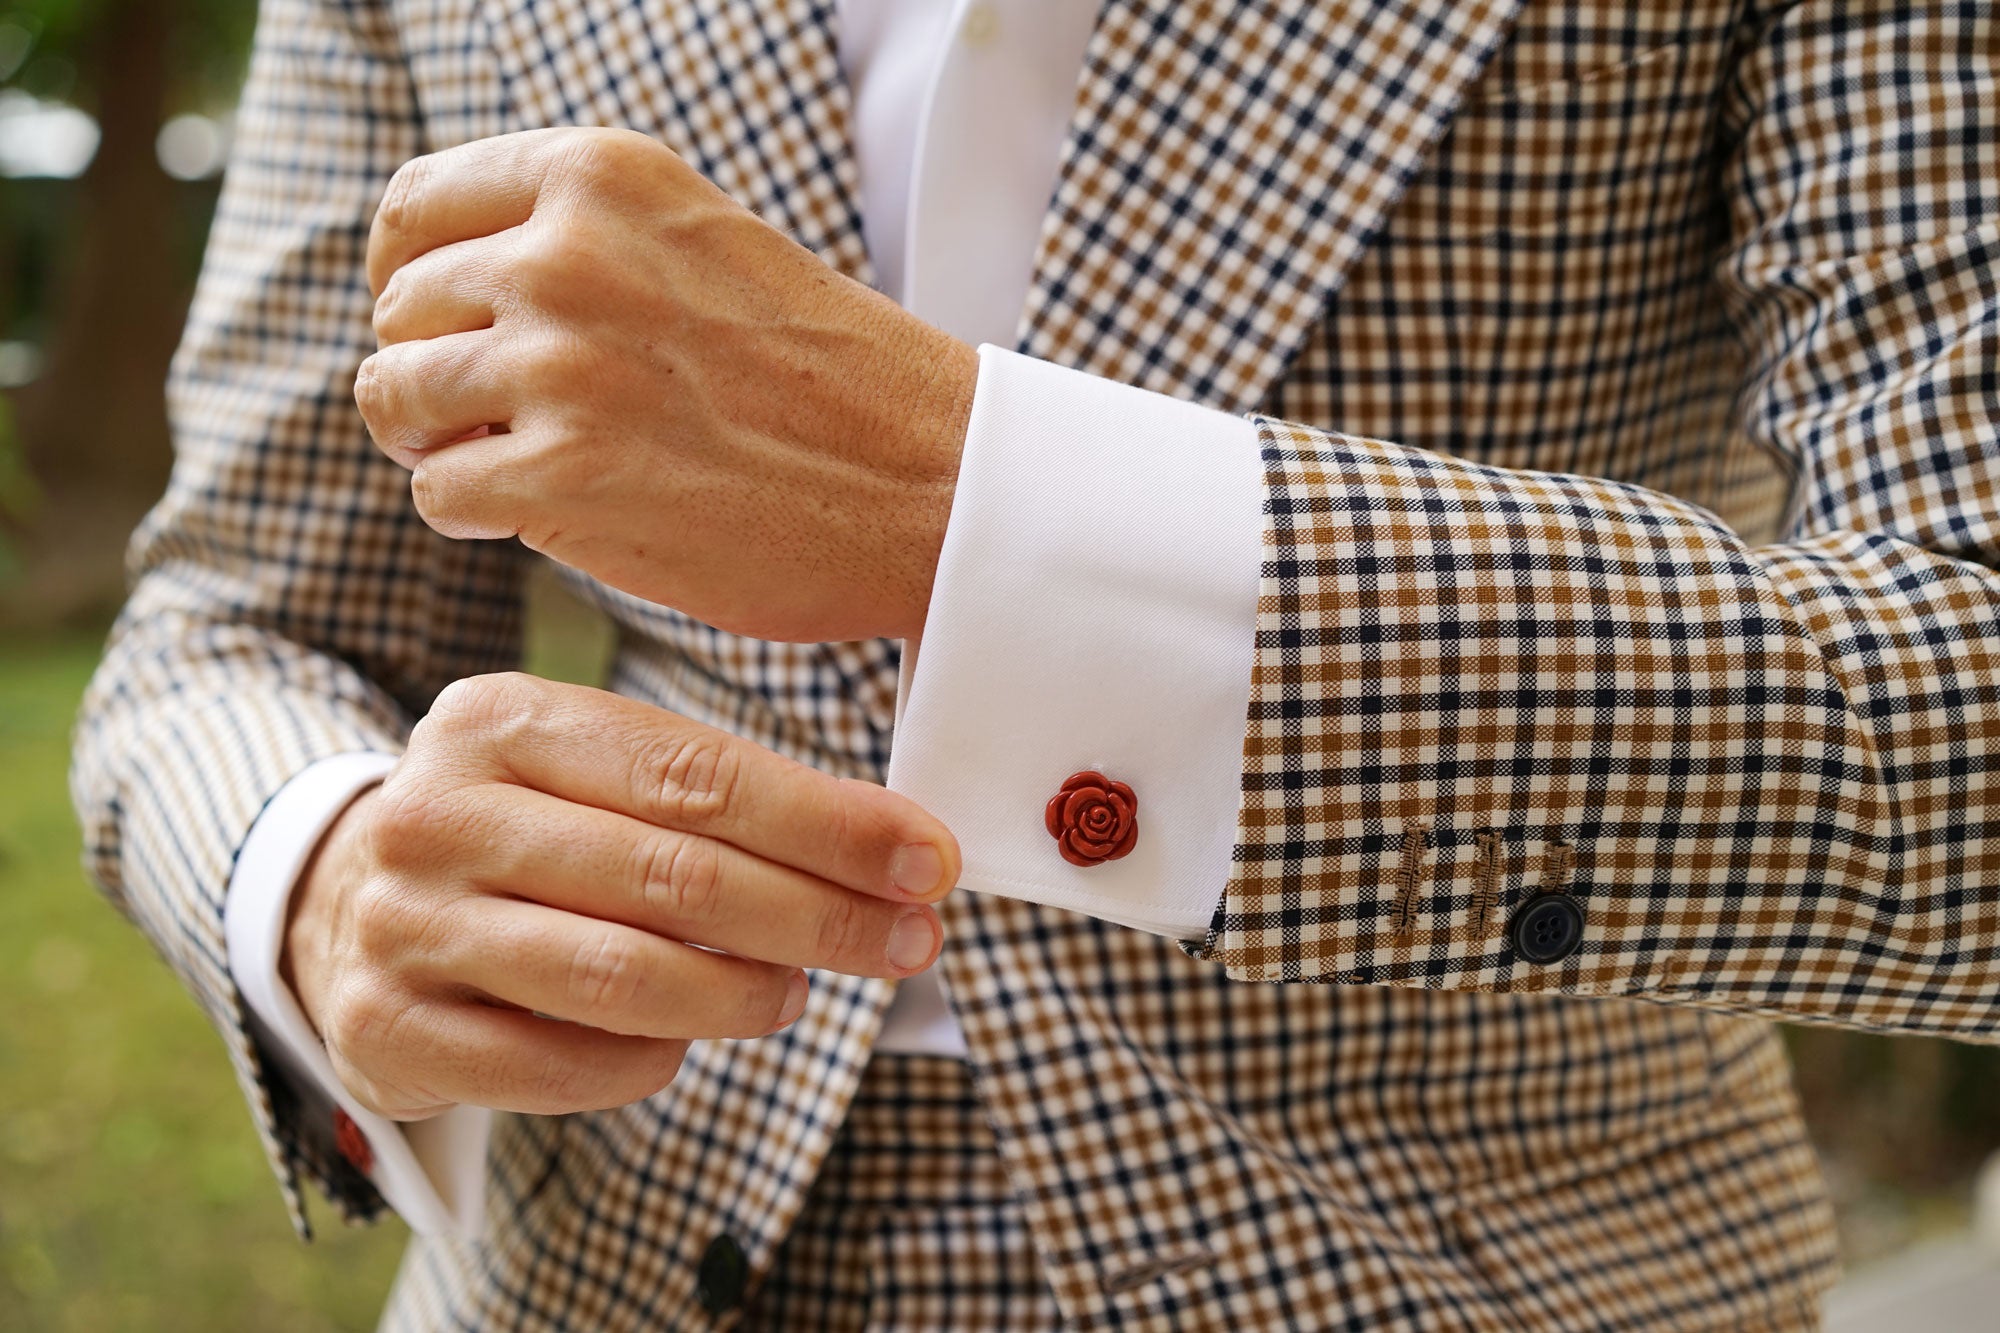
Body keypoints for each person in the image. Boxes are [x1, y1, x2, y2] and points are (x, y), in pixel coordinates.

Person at [71, 0, 1998, 1327]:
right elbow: (234, 616)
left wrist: (955, 483)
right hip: (611, 1255)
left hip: (1487, 1258)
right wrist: (317, 869)